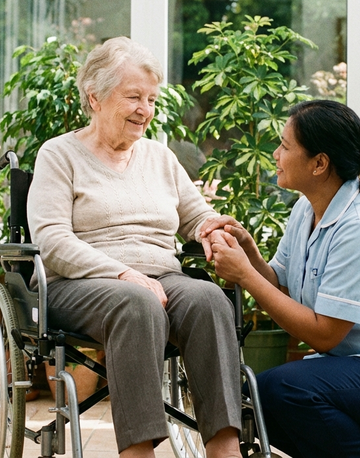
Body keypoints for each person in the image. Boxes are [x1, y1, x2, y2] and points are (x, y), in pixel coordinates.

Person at [202, 99, 360, 458]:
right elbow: (279, 282)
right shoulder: (306, 209)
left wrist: (245, 275)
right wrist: (249, 252)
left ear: (319, 163)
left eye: (285, 146)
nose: (275, 154)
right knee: (259, 401)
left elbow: (324, 334)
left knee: (286, 391)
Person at [27, 36, 241, 458]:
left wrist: (211, 231)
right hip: (83, 283)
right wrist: (124, 273)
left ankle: (224, 447)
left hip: (160, 277)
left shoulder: (160, 158)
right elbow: (51, 240)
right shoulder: (59, 155)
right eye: (133, 97)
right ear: (95, 97)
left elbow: (196, 216)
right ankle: (138, 452)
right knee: (135, 303)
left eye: (151, 99)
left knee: (208, 298)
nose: (145, 110)